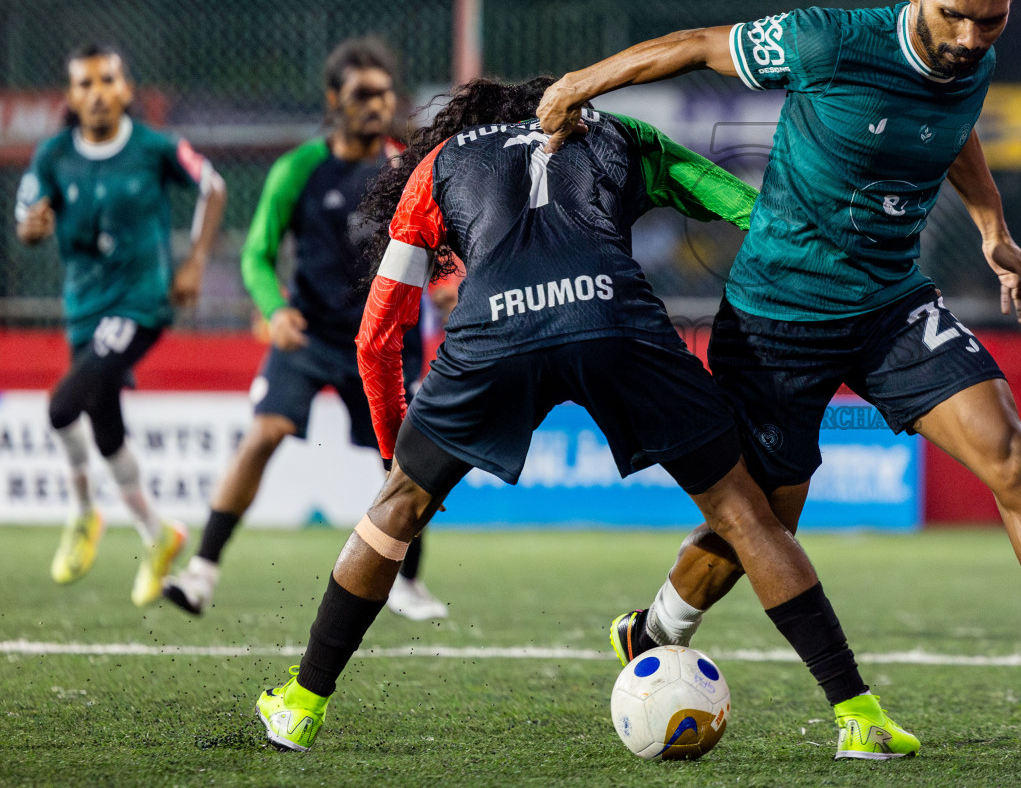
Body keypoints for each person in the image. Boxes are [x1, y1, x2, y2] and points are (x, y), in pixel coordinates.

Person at [538, 0, 1021, 745]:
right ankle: (656, 634)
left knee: (1013, 455)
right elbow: (694, 43)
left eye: (991, 19)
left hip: (893, 304)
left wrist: (993, 228)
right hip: (777, 316)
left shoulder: (976, 55)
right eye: (953, 16)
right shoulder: (828, 42)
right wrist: (579, 84)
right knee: (766, 521)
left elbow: (953, 127)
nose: (969, 38)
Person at [252, 77, 918, 761]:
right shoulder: (616, 131)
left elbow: (378, 331)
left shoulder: (440, 161)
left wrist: (399, 455)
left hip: (494, 331)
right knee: (743, 511)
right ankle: (857, 715)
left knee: (395, 511)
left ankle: (301, 706)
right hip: (613, 318)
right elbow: (747, 207)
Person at [163, 38, 447, 621]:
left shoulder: (407, 169)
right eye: (362, 94)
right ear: (333, 100)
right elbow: (257, 253)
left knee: (404, 465)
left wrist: (446, 282)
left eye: (384, 93)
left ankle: (408, 583)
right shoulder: (299, 168)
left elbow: (442, 243)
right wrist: (274, 309)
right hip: (309, 334)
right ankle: (202, 570)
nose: (376, 103)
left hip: (385, 341)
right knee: (263, 434)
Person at [14, 44, 226, 606]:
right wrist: (32, 228)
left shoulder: (154, 148)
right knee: (106, 431)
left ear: (127, 89)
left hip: (141, 304)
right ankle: (160, 534)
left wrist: (196, 261)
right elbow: (26, 220)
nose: (98, 92)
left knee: (62, 407)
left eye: (107, 80)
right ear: (71, 97)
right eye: (84, 84)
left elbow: (213, 185)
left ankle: (85, 513)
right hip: (83, 309)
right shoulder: (53, 156)